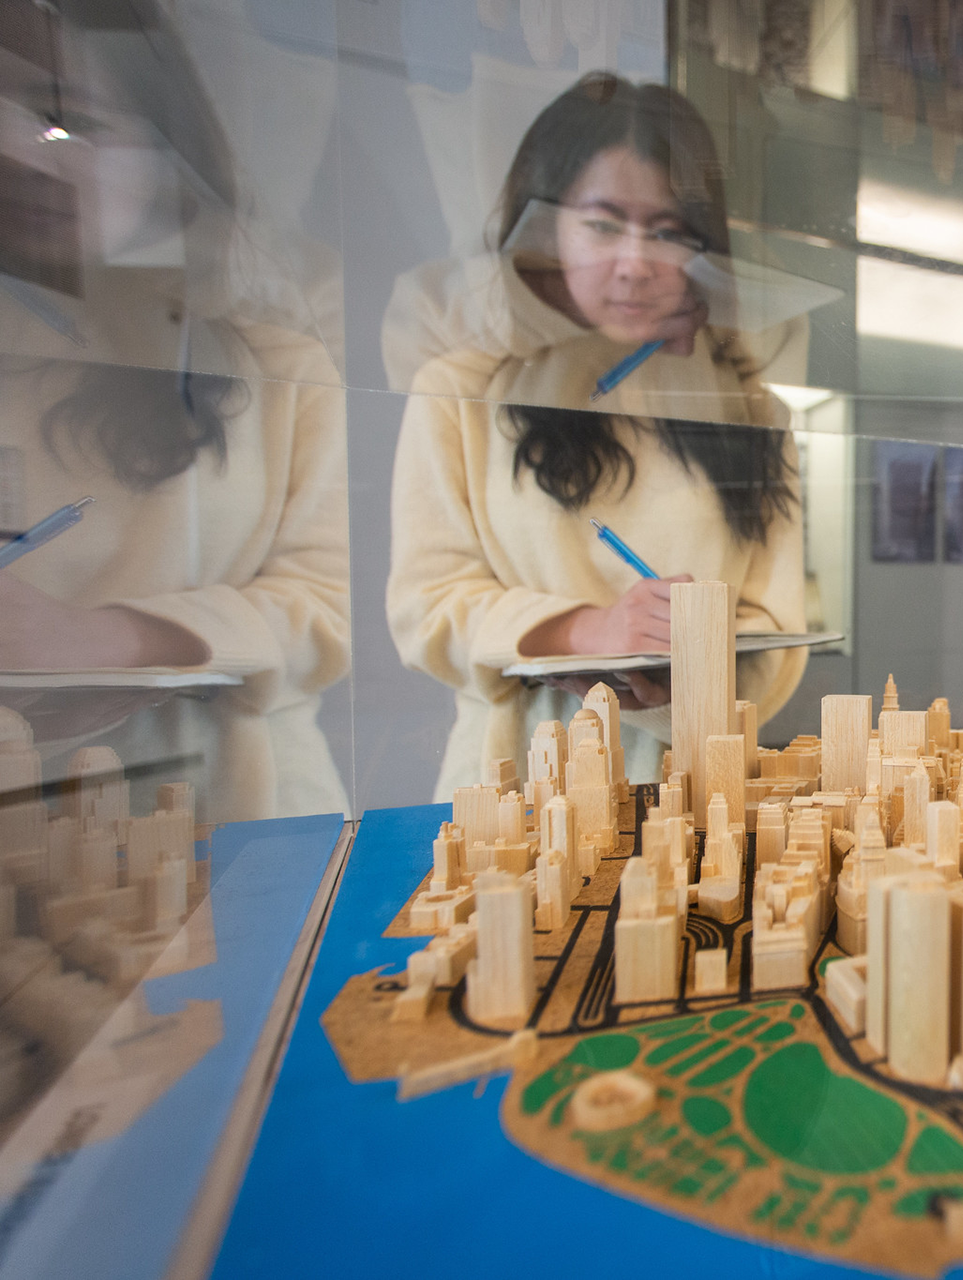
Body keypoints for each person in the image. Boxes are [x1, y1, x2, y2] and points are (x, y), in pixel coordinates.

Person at [385, 74, 806, 798]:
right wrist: (584, 629)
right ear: (545, 227)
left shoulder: (750, 407)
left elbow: (775, 628)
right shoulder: (462, 385)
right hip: (515, 789)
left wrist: (676, 682)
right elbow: (426, 605)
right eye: (604, 223)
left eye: (669, 232)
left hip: (698, 782)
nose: (637, 263)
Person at [0, 0, 349, 823]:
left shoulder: (268, 355)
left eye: (67, 121)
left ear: (167, 146)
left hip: (242, 816)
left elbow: (327, 604)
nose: (23, 153)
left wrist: (108, 640)